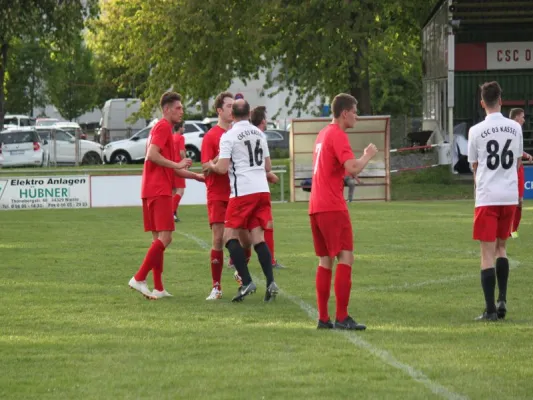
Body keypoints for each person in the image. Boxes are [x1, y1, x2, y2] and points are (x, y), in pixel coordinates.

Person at [310, 93, 378, 330]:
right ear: (345, 112)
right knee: (346, 256)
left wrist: (346, 174)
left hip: (316, 206)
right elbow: (353, 165)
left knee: (325, 260)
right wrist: (367, 156)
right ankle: (341, 317)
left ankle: (323, 318)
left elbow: (333, 168)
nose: (357, 116)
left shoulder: (322, 133)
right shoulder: (338, 135)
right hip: (332, 206)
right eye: (355, 111)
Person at [128, 91, 203, 300]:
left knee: (157, 240)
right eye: (178, 108)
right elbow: (152, 155)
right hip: (159, 189)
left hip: (151, 188)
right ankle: (139, 277)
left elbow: (173, 168)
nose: (182, 111)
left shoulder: (164, 130)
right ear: (167, 110)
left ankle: (158, 288)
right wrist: (177, 164)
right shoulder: (162, 127)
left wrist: (197, 177)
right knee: (166, 237)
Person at [206, 99, 279, 302]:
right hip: (262, 191)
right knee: (258, 237)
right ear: (248, 113)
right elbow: (267, 166)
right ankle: (271, 282)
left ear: (233, 115)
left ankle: (246, 282)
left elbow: (221, 168)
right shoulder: (259, 133)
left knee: (228, 237)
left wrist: (210, 166)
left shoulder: (229, 136)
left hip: (242, 192)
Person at [467, 81, 522, 321]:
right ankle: (502, 300)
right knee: (502, 248)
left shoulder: (476, 131)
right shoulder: (515, 128)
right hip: (509, 196)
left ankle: (490, 310)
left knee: (486, 252)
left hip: (487, 197)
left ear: (482, 103)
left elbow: (475, 165)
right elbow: (518, 162)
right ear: (501, 100)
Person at [201, 92, 250, 300]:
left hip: (238, 194)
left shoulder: (240, 133)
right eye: (229, 106)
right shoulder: (211, 136)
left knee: (247, 240)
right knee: (219, 239)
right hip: (218, 194)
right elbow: (205, 167)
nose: (232, 109)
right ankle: (216, 287)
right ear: (220, 111)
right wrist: (218, 158)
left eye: (234, 106)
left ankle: (239, 272)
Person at [508, 108, 532, 238]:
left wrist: (524, 154)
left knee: (519, 201)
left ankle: (513, 230)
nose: (524, 119)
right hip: (508, 169)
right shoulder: (509, 130)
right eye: (522, 117)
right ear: (516, 117)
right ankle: (506, 229)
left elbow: (517, 149)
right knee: (507, 201)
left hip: (519, 169)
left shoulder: (519, 130)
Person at [172, 122, 187, 222]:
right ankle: (171, 212)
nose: (184, 129)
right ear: (180, 128)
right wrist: (185, 163)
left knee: (173, 192)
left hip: (171, 165)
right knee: (180, 191)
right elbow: (181, 152)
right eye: (183, 127)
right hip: (179, 165)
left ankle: (174, 215)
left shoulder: (171, 137)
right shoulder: (180, 138)